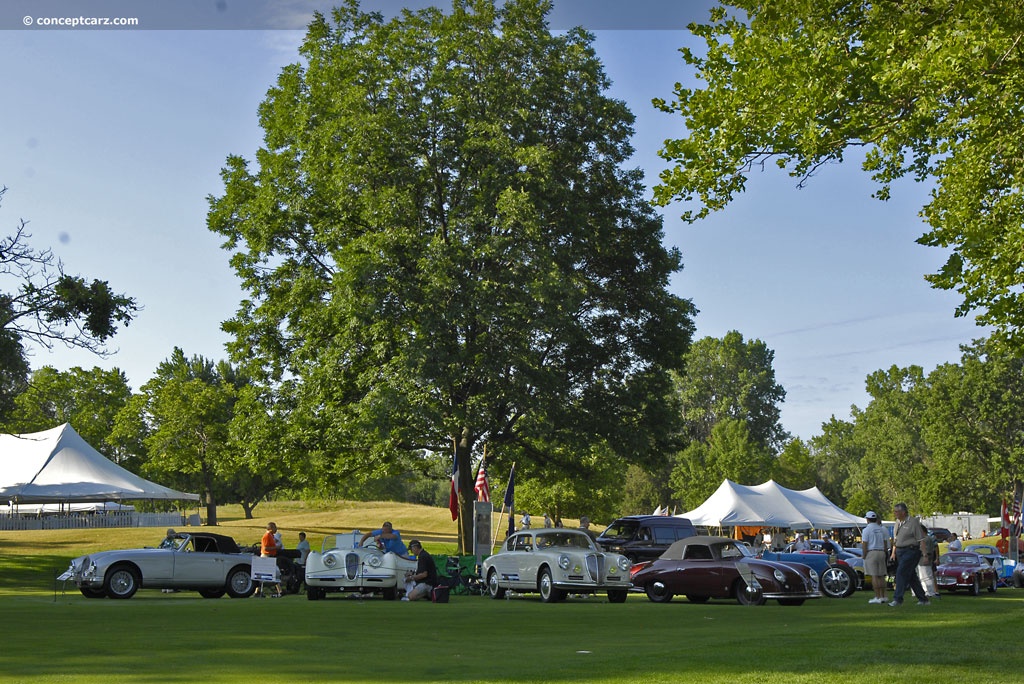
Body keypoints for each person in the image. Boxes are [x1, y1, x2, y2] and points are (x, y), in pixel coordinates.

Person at [889, 503, 930, 606]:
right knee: (911, 576)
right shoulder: (897, 523)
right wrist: (893, 553)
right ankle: (923, 599)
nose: (895, 513)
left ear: (903, 512)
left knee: (901, 572)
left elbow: (921, 540)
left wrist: (925, 555)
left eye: (896, 511)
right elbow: (896, 539)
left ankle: (898, 599)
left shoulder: (913, 523)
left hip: (911, 551)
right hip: (900, 551)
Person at [861, 511, 889, 604]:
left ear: (867, 519)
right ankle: (884, 596)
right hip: (881, 552)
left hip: (872, 552)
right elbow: (885, 543)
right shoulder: (882, 529)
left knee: (874, 576)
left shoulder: (866, 530)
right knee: (881, 575)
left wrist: (864, 555)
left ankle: (877, 597)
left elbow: (865, 544)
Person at [259, 522, 283, 598]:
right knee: (269, 573)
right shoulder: (267, 536)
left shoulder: (271, 536)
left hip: (270, 556)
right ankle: (258, 591)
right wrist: (276, 548)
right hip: (266, 556)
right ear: (271, 528)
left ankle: (280, 591)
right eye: (275, 527)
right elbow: (265, 548)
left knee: (274, 573)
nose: (276, 529)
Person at [917, 525, 940, 599]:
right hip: (928, 557)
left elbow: (925, 549)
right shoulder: (929, 538)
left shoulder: (925, 539)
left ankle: (929, 592)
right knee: (927, 576)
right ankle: (929, 591)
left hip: (924, 558)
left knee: (926, 576)